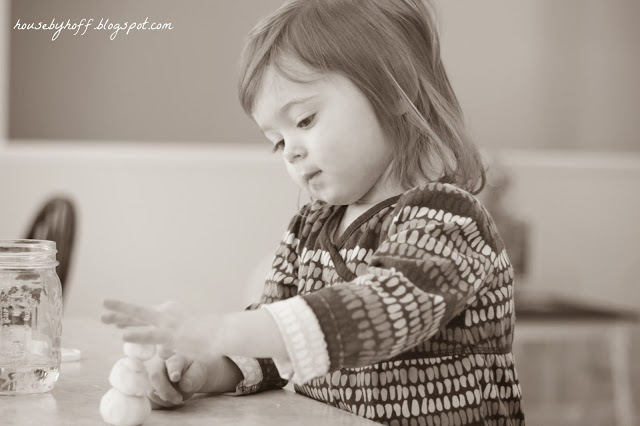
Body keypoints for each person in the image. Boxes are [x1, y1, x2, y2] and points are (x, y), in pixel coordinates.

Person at [101, 0, 526, 424]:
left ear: (394, 91)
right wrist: (209, 368)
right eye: (278, 142)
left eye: (304, 121)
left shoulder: (449, 219)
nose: (293, 152)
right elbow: (276, 339)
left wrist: (217, 330)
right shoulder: (309, 227)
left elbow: (381, 310)